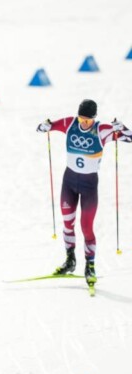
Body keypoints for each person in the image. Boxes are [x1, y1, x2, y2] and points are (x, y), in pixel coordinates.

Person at [36, 99, 131, 287]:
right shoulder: (70, 123)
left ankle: (90, 266)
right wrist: (45, 125)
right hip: (69, 182)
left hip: (89, 186)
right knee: (67, 223)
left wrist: (122, 127)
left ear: (94, 118)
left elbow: (130, 137)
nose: (83, 123)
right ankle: (70, 260)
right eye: (81, 119)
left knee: (86, 227)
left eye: (88, 120)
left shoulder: (102, 129)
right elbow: (41, 129)